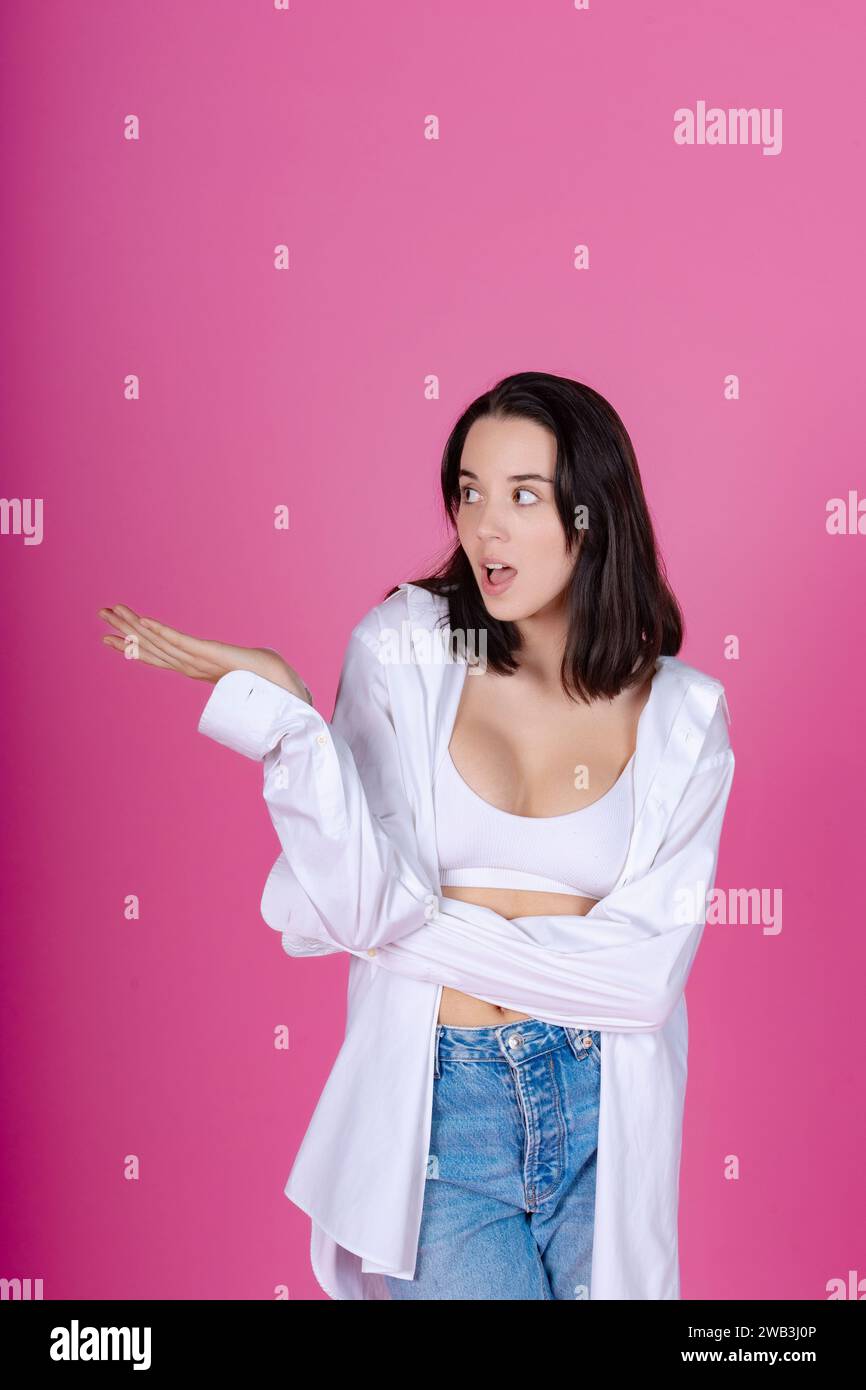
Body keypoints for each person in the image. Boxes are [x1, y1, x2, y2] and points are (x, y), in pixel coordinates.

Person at [97, 371, 736, 1300]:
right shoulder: (409, 648)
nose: (485, 528)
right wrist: (289, 719)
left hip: (606, 1111)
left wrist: (414, 927)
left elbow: (640, 986)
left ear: (593, 516)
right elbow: (354, 902)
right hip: (439, 1118)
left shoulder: (685, 715)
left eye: (524, 496)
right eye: (470, 492)